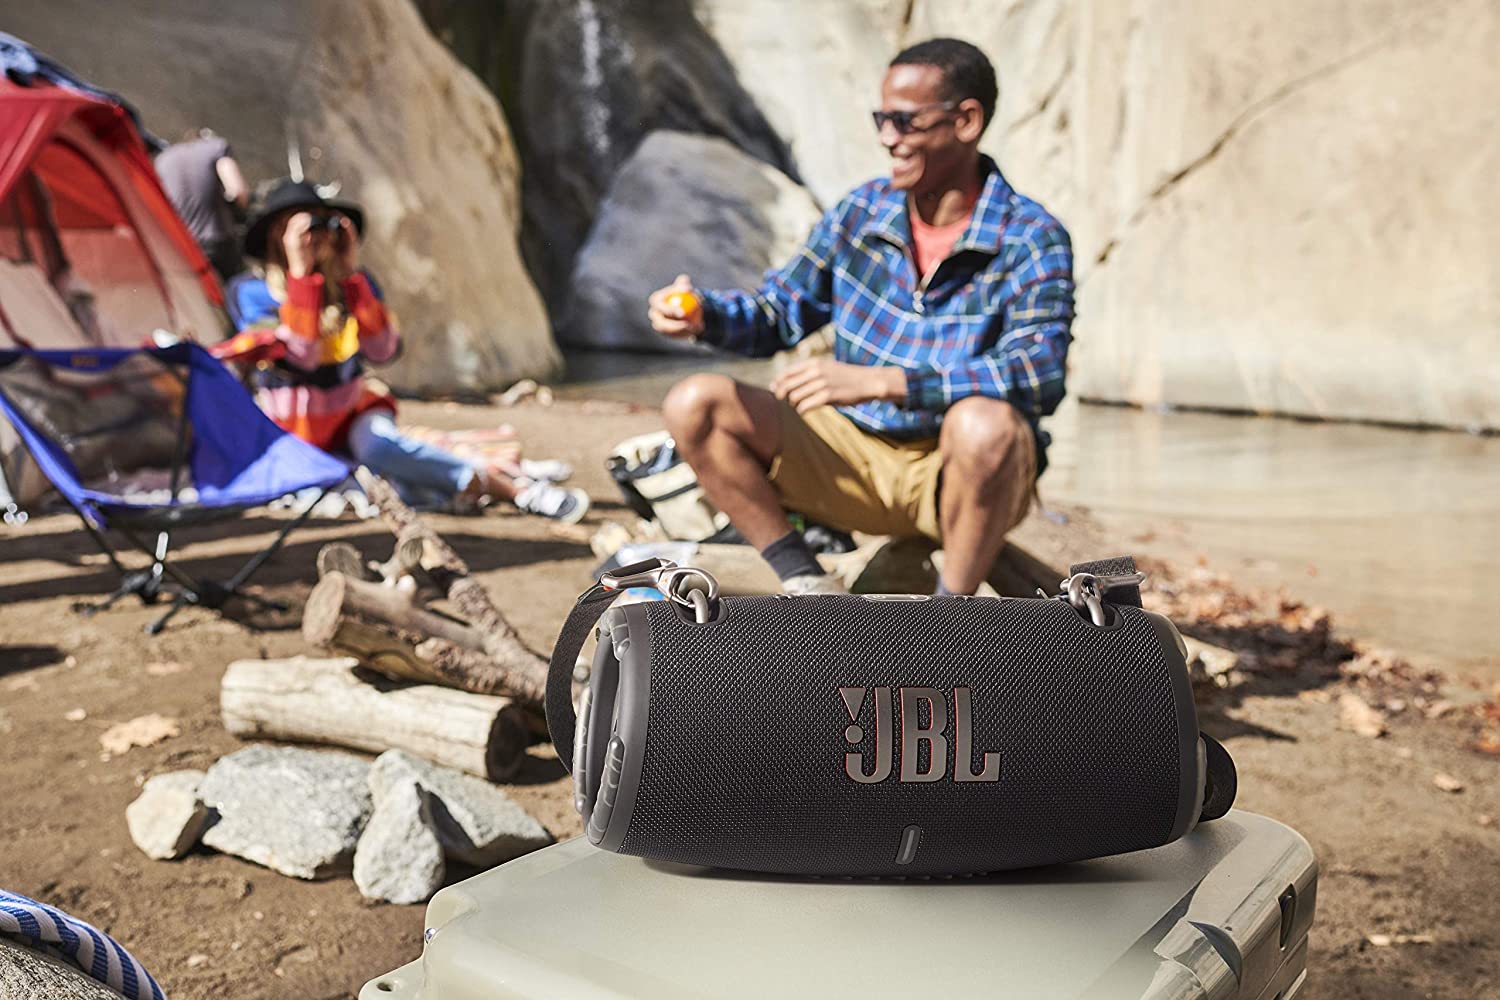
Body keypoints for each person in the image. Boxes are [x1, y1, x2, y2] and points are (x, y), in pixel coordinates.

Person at [648, 38, 1072, 596]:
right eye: (881, 119)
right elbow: (778, 314)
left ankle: (950, 617)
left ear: (966, 121)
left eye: (904, 121)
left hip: (959, 469)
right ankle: (807, 584)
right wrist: (704, 315)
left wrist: (886, 382)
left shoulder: (1032, 236)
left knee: (985, 426)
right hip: (847, 457)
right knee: (695, 404)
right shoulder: (860, 211)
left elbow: (1039, 372)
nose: (887, 138)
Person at [232, 179, 589, 521]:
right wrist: (301, 276)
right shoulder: (251, 293)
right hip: (292, 432)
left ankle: (515, 490)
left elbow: (383, 350)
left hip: (354, 414)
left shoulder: (353, 286)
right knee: (391, 477)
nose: (318, 236)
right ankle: (494, 479)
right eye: (304, 227)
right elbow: (303, 355)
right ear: (276, 235)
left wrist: (350, 276)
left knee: (378, 447)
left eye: (325, 225)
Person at [154, 128, 249, 281]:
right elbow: (238, 192)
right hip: (217, 243)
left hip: (179, 248)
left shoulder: (162, 159)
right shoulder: (216, 147)